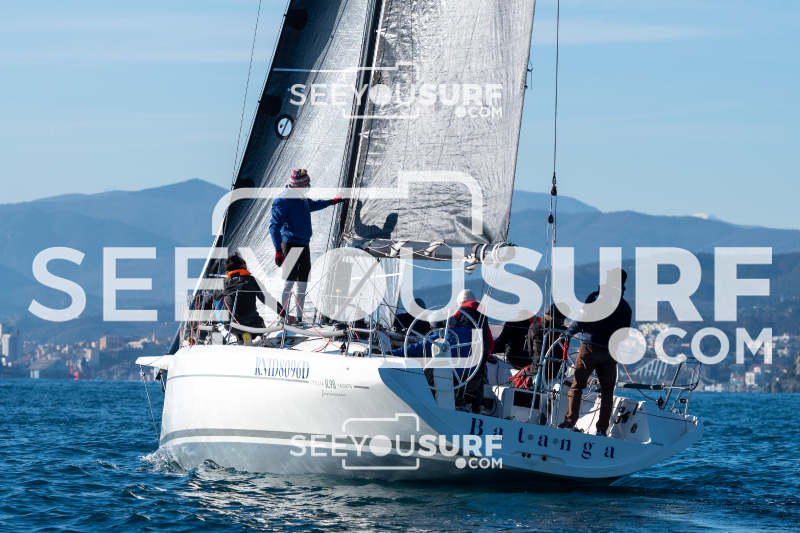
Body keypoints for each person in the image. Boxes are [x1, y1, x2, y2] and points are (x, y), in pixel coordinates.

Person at [558, 268, 632, 436]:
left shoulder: (596, 297)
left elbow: (582, 320)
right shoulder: (625, 307)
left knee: (577, 386)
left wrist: (568, 333)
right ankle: (601, 430)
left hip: (590, 348)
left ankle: (570, 422)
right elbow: (624, 334)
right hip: (610, 353)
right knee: (607, 393)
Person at [269, 169, 344, 324]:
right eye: (306, 184)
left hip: (304, 243)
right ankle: (283, 318)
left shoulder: (301, 197)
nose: (308, 186)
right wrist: (278, 250)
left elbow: (313, 205)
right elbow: (274, 227)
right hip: (290, 243)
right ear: (298, 185)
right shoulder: (283, 200)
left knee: (302, 282)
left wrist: (332, 201)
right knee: (289, 281)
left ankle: (298, 318)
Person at [215, 254, 268, 343]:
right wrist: (285, 315)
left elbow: (215, 297)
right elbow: (267, 300)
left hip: (231, 326)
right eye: (244, 262)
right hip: (253, 324)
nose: (246, 264)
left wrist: (224, 291)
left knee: (227, 306)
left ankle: (240, 338)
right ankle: (258, 336)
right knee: (259, 323)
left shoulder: (224, 283)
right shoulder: (251, 280)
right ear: (241, 266)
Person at [526, 302, 570, 382]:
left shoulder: (534, 326)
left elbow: (530, 352)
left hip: (537, 369)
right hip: (558, 372)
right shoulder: (565, 333)